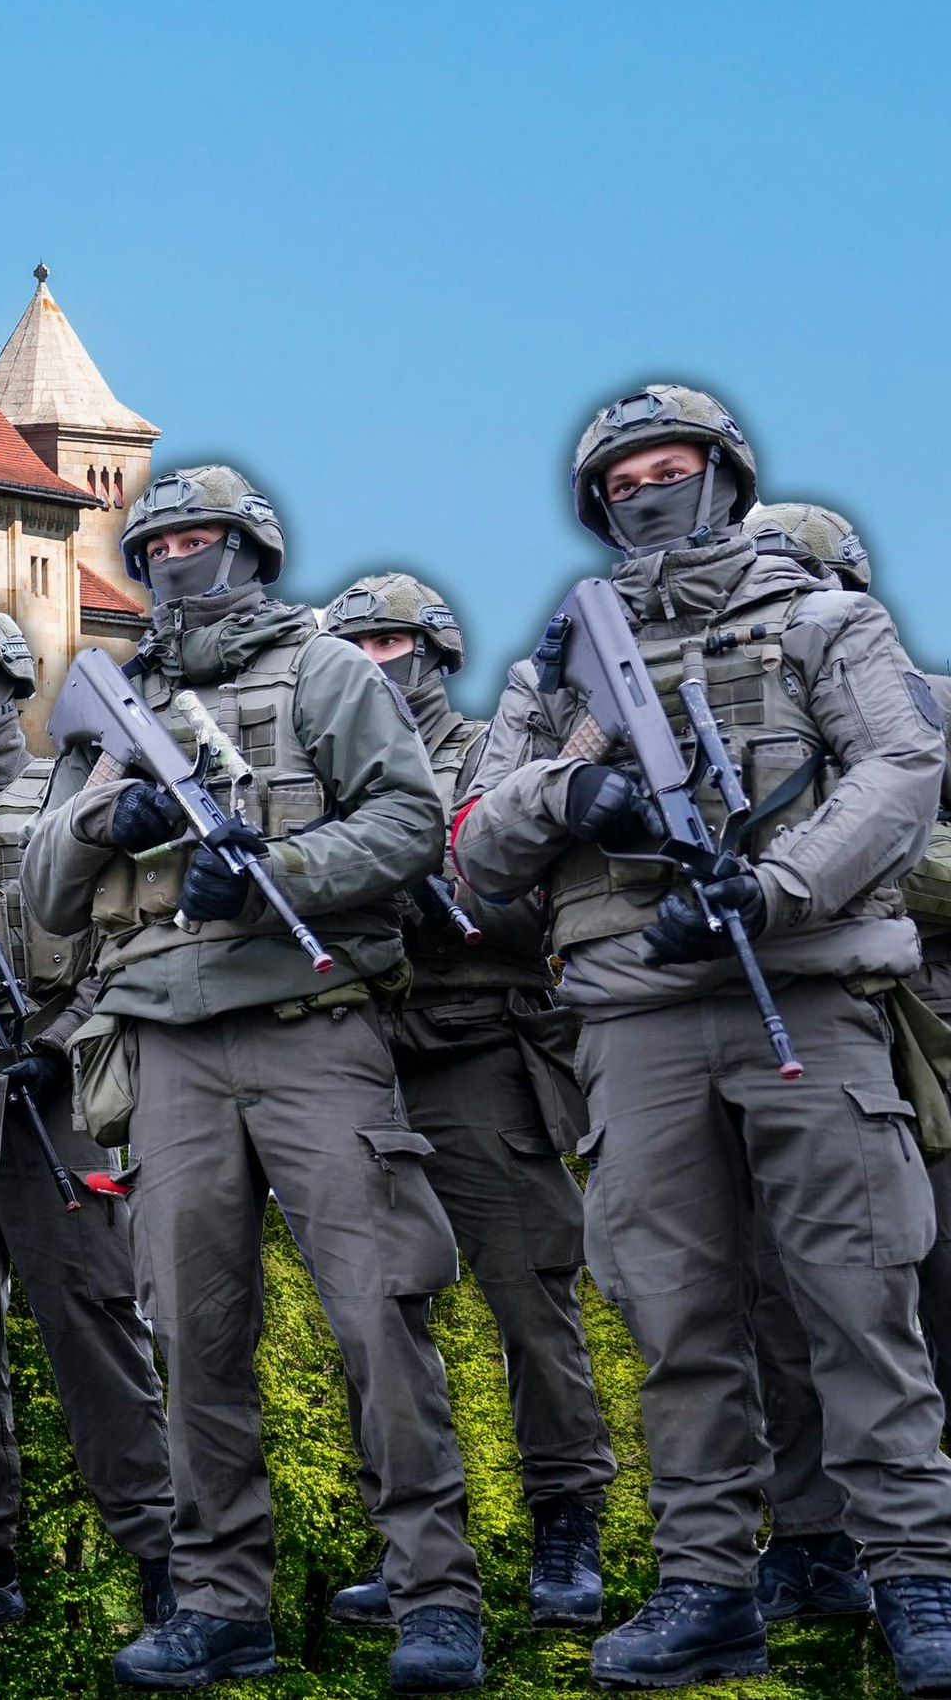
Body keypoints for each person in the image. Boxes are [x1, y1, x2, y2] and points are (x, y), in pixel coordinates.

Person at [454, 390, 951, 1696]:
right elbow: (470, 840)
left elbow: (898, 771)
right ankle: (703, 1583)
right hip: (628, 1015)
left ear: (723, 475)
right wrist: (569, 791)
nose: (646, 492)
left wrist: (774, 886)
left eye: (669, 467)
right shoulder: (555, 667)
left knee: (857, 1295)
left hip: (803, 991)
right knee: (673, 1313)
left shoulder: (822, 622)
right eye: (622, 478)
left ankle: (916, 1579)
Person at [23, 466, 485, 1694]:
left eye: (202, 536)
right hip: (164, 1046)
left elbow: (408, 821)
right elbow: (42, 896)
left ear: (252, 547)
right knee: (192, 1328)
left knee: (378, 1309)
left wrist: (282, 867)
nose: (179, 558)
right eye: (160, 541)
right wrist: (103, 823)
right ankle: (223, 1599)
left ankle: (434, 1591)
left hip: (309, 1024)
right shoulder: (113, 701)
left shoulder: (324, 668)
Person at [734, 502, 951, 1633]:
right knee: (780, 1282)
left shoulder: (940, 701)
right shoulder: (715, 708)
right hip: (778, 1015)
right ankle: (814, 1539)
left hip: (928, 1011)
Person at [315, 573, 615, 1631]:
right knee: (375, 1312)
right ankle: (410, 1542)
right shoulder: (325, 768)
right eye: (352, 645)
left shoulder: (495, 754)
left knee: (529, 1297)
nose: (371, 661)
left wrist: (463, 908)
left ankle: (567, 1519)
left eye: (389, 642)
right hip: (356, 1055)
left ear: (436, 652)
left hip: (479, 1050)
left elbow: (552, 900)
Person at [0, 602, 179, 1633]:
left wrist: (59, 1045)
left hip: (59, 1086)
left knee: (94, 1319)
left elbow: (123, 932)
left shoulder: (73, 787)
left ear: (10, 681)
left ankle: (160, 1546)